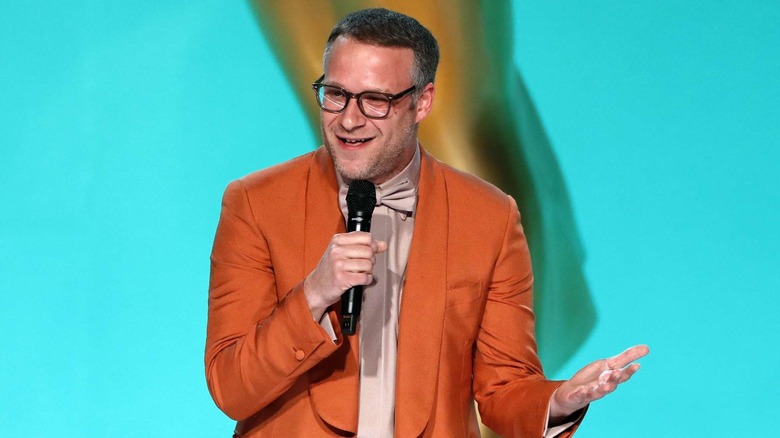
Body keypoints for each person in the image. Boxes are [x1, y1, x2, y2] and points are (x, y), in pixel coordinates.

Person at [205, 8, 648, 438]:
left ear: (422, 102)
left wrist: (560, 401)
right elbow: (231, 389)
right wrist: (314, 295)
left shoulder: (490, 216)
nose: (349, 118)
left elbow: (504, 389)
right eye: (335, 94)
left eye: (375, 100)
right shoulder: (255, 203)